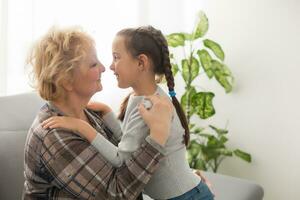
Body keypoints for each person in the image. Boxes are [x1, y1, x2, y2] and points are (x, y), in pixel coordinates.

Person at [42, 26, 214, 200]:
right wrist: (108, 114)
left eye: (116, 57)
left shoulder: (150, 106)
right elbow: (130, 143)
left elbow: (120, 158)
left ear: (141, 63)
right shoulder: (138, 98)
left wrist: (81, 127)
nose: (109, 66)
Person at [23, 26, 175, 200]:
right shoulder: (54, 137)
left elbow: (128, 156)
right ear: (66, 81)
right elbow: (118, 194)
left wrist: (178, 183)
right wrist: (157, 138)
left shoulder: (90, 114)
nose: (104, 68)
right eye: (93, 64)